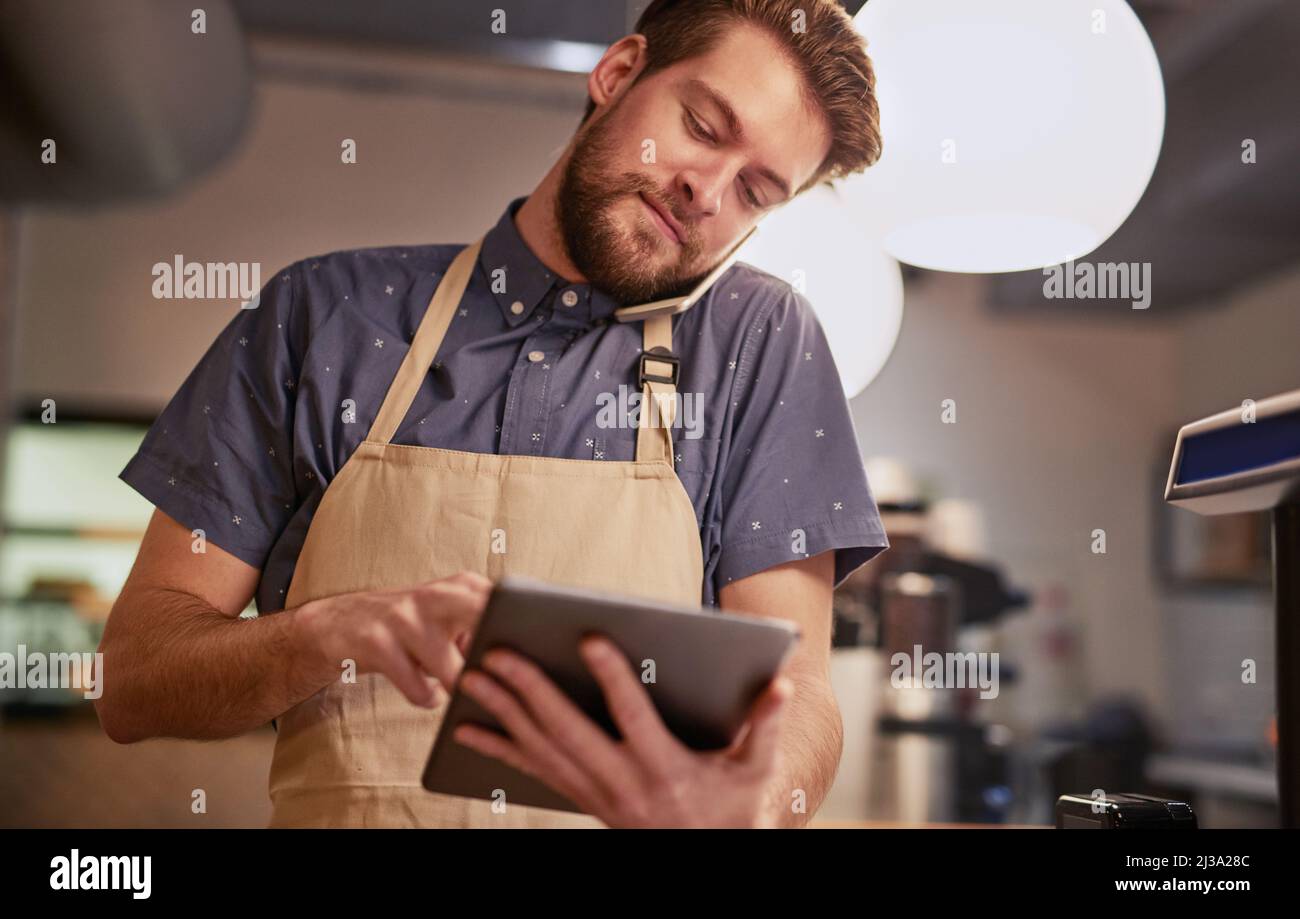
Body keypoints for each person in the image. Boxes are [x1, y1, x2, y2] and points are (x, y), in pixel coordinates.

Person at [94, 0, 889, 828]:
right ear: (618, 73)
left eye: (755, 191)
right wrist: (323, 633)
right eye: (700, 125)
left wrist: (744, 807)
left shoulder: (757, 344)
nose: (705, 191)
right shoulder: (321, 316)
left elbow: (799, 696)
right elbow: (133, 678)